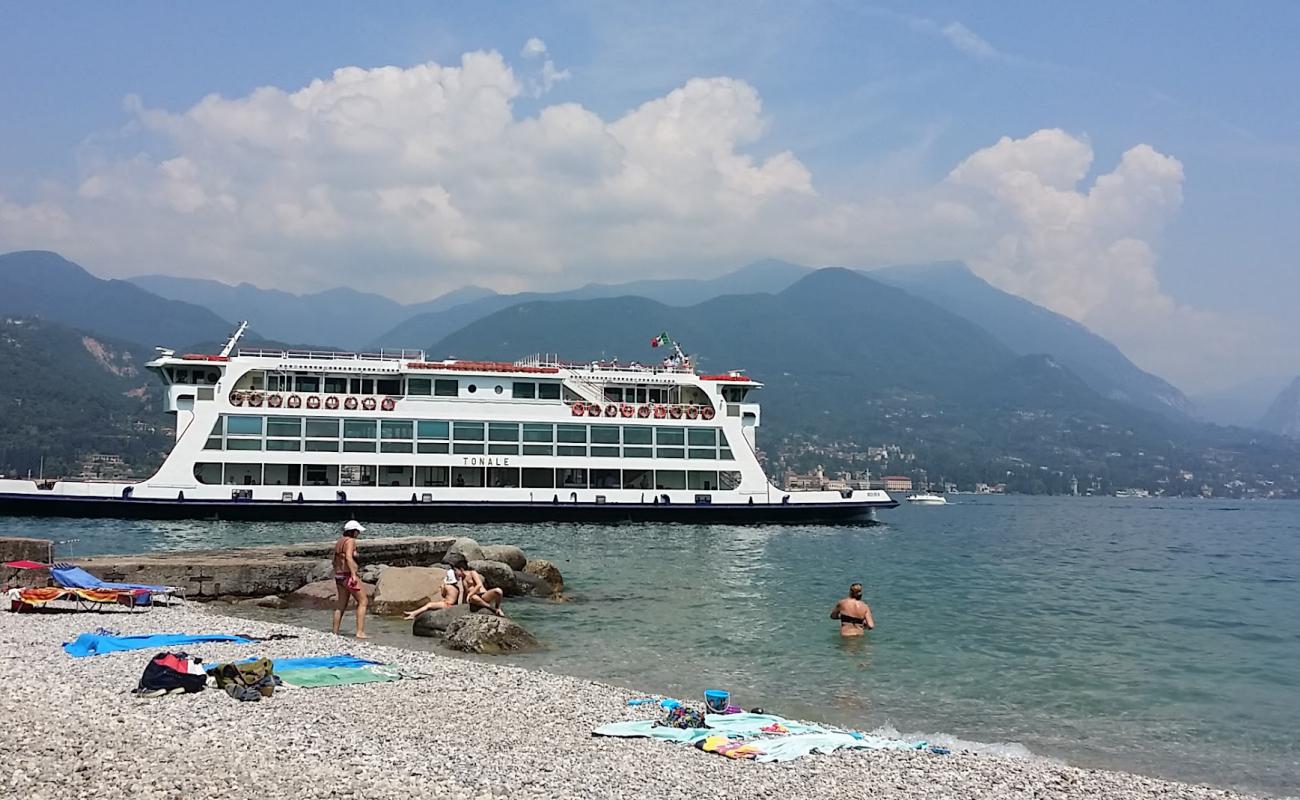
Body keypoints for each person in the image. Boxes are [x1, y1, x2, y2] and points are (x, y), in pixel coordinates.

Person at [331, 519, 369, 638]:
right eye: (357, 531)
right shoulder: (351, 541)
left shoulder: (339, 542)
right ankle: (360, 632)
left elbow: (335, 560)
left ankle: (335, 632)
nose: (359, 534)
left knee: (341, 604)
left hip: (339, 576)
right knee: (363, 601)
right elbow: (348, 557)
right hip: (348, 576)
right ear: (353, 532)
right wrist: (353, 575)